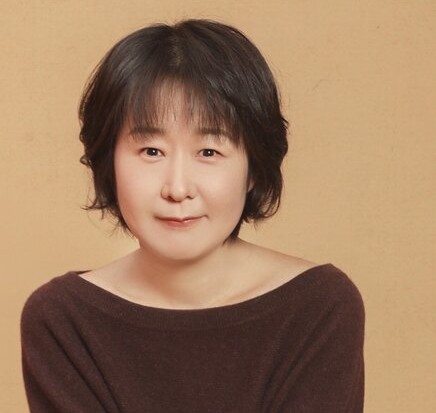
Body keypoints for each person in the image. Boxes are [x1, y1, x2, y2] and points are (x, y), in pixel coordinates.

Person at [20, 19, 365, 412]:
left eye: (209, 152)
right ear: (108, 162)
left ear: (253, 168)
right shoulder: (63, 319)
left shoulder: (318, 307)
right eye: (151, 151)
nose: (178, 188)